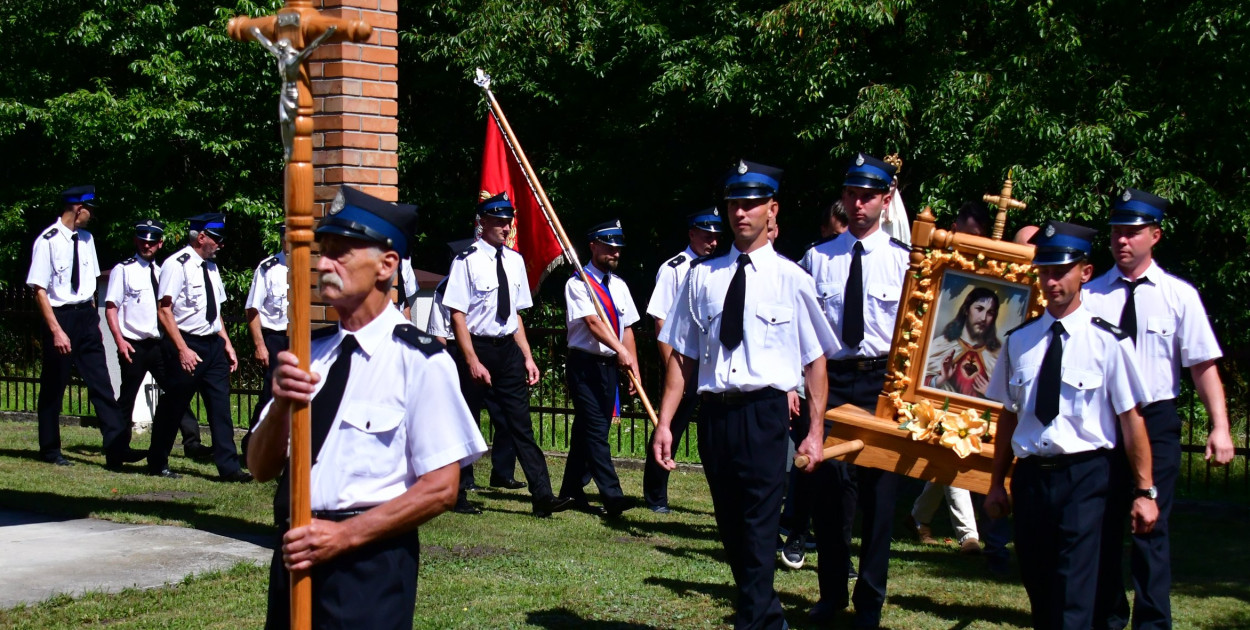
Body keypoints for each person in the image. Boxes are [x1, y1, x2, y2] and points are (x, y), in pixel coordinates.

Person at [248, 185, 487, 630]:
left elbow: (441, 488)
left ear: (386, 264)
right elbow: (260, 468)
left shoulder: (420, 361)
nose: (323, 265)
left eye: (341, 253)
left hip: (367, 564)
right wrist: (281, 404)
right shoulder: (307, 353)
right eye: (323, 252)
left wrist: (343, 536)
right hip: (296, 553)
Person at [653, 159, 837, 629]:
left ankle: (754, 622)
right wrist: (665, 422)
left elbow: (815, 361)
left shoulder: (793, 278)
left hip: (765, 414)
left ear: (771, 210)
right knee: (732, 529)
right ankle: (767, 615)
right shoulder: (701, 277)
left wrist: (815, 432)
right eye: (735, 203)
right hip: (715, 416)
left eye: (752, 204)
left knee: (757, 526)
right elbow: (684, 357)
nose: (741, 213)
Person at [984, 220, 1158, 630]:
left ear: (1085, 272)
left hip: (1086, 477)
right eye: (1044, 271)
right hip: (1031, 479)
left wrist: (1145, 490)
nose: (1051, 280)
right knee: (1039, 584)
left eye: (1060, 270)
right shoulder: (1019, 340)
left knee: (1074, 592)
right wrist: (996, 482)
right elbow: (1009, 415)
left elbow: (1131, 420)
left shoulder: (1108, 342)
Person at [1086, 189, 1235, 630]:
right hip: (1105, 424)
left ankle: (1152, 623)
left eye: (1132, 233)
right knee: (1103, 528)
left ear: (1156, 235)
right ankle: (1107, 618)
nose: (1121, 241)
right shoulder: (1091, 296)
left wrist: (1220, 427)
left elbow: (1202, 366)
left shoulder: (1179, 296)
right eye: (1116, 232)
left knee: (1152, 527)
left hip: (1156, 421)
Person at [802, 153, 910, 629]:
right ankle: (831, 595)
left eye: (868, 196)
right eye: (851, 194)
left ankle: (870, 602)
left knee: (879, 502)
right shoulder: (817, 258)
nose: (858, 204)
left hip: (882, 383)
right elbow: (802, 333)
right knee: (829, 496)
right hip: (833, 381)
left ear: (886, 201)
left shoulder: (907, 263)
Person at [442, 192, 573, 518]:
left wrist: (527, 357)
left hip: (507, 351)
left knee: (520, 424)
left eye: (508, 221)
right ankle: (457, 493)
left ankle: (542, 495)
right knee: (465, 421)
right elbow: (457, 314)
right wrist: (471, 360)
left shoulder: (514, 261)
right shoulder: (467, 261)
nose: (505, 227)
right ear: (482, 223)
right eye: (498, 221)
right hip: (477, 347)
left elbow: (514, 315)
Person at [26, 185, 138, 469]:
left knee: (101, 382)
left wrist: (94, 322)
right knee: (54, 386)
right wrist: (56, 330)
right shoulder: (48, 241)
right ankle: (50, 448)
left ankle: (116, 448)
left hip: (85, 317)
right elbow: (39, 290)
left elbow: (89, 286)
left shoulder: (86, 239)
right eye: (89, 210)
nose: (91, 216)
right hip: (60, 317)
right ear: (78, 209)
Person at [148, 213, 251, 481]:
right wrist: (182, 349)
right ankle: (157, 461)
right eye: (217, 239)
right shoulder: (176, 264)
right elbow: (164, 310)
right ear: (201, 237)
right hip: (186, 342)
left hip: (212, 344)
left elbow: (215, 311)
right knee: (174, 405)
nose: (221, 245)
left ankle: (229, 468)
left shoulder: (212, 268)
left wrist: (227, 343)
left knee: (220, 408)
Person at [105, 219, 210, 469]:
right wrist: (120, 341)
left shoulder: (162, 271)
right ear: (136, 240)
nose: (147, 246)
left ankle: (191, 442)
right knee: (127, 399)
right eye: (143, 240)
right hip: (134, 343)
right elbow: (111, 308)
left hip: (159, 344)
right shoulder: (124, 269)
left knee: (178, 390)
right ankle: (117, 451)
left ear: (160, 243)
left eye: (152, 242)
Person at [558, 220, 642, 517]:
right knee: (595, 430)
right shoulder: (578, 283)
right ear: (593, 245)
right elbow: (593, 324)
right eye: (609, 247)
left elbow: (627, 328)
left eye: (618, 249)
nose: (614, 253)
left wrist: (634, 367)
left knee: (588, 430)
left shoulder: (619, 286)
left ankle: (570, 490)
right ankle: (612, 496)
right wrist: (621, 351)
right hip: (584, 365)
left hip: (609, 366)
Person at [642, 207, 722, 513]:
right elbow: (661, 322)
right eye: (706, 236)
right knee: (669, 429)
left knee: (711, 433)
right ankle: (655, 495)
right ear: (692, 234)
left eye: (716, 237)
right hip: (682, 362)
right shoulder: (675, 268)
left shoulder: (717, 269)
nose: (712, 242)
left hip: (709, 365)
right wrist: (671, 367)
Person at [241, 224, 289, 460]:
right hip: (276, 338)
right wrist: (260, 345)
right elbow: (252, 309)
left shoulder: (314, 267)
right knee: (271, 394)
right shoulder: (268, 268)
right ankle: (252, 445)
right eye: (285, 238)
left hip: (305, 338)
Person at [924, 287, 1002, 398]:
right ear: (966, 309)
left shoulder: (997, 356)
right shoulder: (941, 345)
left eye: (990, 313)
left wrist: (991, 393)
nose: (984, 318)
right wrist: (942, 379)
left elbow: (1008, 398)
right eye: (979, 309)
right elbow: (917, 383)